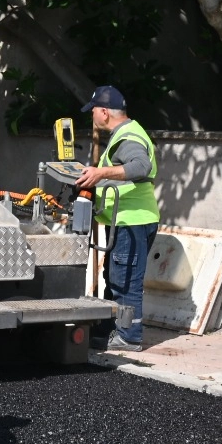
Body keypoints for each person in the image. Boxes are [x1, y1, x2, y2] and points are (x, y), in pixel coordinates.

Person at [75, 85, 159, 353]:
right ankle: (112, 329)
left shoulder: (128, 137)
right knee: (116, 277)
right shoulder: (126, 132)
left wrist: (100, 174)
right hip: (126, 221)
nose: (93, 119)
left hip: (131, 221)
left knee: (126, 281)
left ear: (103, 112)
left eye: (93, 113)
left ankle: (129, 336)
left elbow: (140, 166)